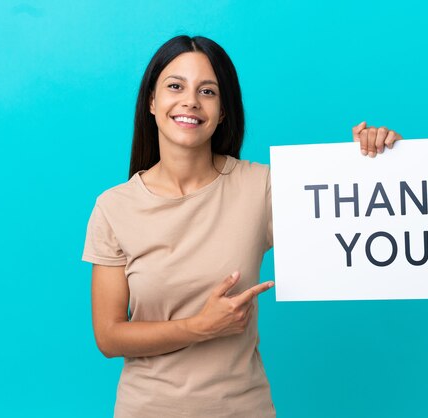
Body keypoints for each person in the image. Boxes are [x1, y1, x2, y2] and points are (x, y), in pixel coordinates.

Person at [81, 35, 402, 418]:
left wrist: (371, 160)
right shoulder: (114, 207)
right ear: (152, 101)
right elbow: (109, 335)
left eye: (208, 91)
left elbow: (349, 217)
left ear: (224, 111)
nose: (190, 101)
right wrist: (200, 327)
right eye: (174, 86)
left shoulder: (262, 187)